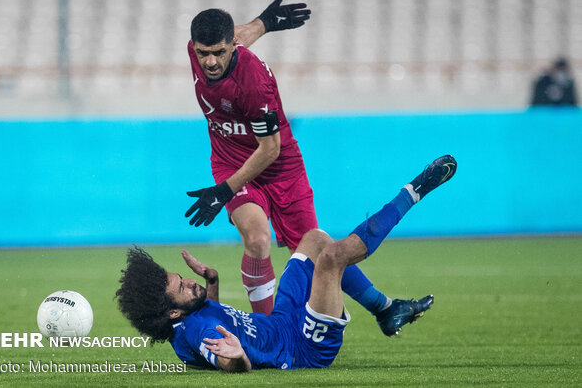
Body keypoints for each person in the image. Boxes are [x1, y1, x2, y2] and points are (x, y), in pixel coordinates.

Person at [184, 0, 414, 330]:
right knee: (258, 237)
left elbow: (270, 150)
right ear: (194, 46)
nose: (211, 62)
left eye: (219, 52)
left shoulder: (254, 83)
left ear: (230, 47)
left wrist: (223, 191)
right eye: (204, 53)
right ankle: (266, 331)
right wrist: (266, 21)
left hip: (279, 165)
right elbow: (242, 33)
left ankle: (385, 308)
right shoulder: (202, 50)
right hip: (232, 162)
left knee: (318, 248)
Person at [118, 155, 457, 371]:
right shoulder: (196, 332)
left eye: (182, 279)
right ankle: (412, 192)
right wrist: (236, 360)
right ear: (173, 312)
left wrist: (213, 285)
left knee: (313, 238)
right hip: (304, 348)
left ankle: (385, 309)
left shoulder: (187, 322)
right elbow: (223, 355)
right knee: (332, 258)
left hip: (282, 321)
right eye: (182, 287)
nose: (189, 282)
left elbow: (214, 323)